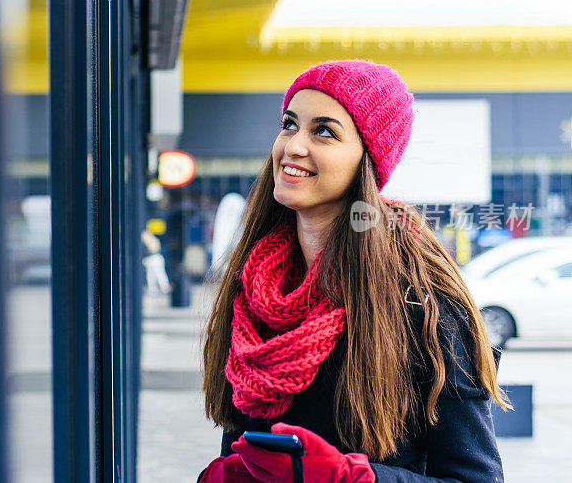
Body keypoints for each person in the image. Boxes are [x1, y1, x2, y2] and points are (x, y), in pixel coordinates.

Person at [198, 60, 509, 482]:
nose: (293, 146)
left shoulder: (423, 299)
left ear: (368, 160)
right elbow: (242, 439)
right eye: (289, 124)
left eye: (324, 131)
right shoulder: (254, 289)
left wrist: (356, 478)